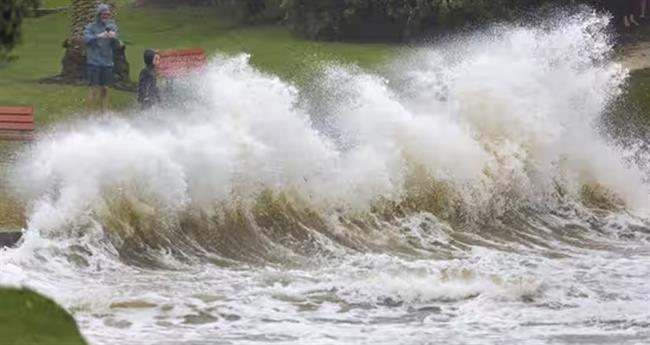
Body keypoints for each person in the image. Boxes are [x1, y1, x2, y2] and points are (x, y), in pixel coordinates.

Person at [83, 4, 120, 114]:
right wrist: (99, 36)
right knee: (93, 89)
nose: (106, 16)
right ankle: (90, 116)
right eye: (103, 14)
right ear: (98, 15)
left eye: (108, 14)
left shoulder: (112, 27)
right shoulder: (91, 27)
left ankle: (104, 115)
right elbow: (87, 39)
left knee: (105, 89)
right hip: (94, 62)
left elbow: (116, 45)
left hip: (107, 63)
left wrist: (114, 38)